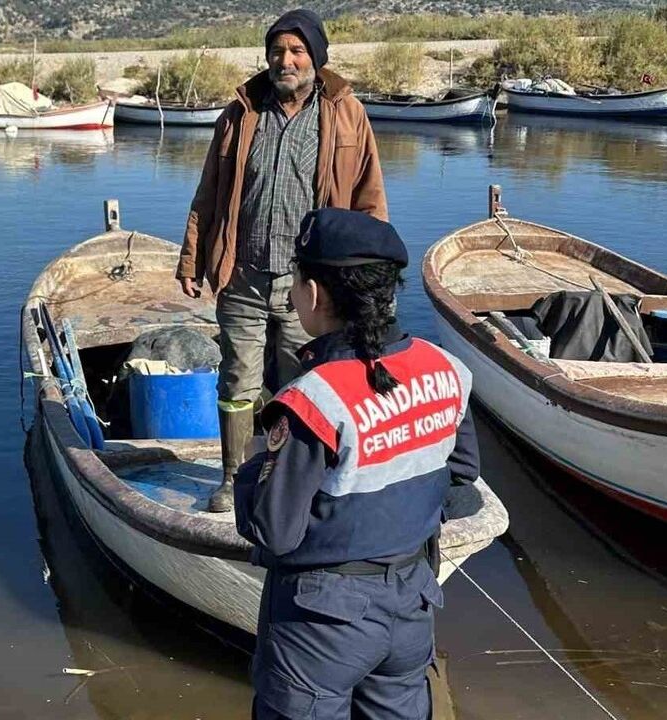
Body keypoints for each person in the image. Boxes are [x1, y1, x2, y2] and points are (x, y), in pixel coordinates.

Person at [234, 208, 480, 719]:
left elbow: (274, 531)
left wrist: (251, 471)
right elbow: (462, 477)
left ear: (315, 293)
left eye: (296, 281)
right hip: (412, 607)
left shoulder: (314, 400)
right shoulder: (446, 369)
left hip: (322, 626)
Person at [176, 9, 387, 512]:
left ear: (316, 58)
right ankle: (233, 478)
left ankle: (292, 480)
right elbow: (209, 192)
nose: (285, 60)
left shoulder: (346, 114)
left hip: (310, 285)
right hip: (242, 273)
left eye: (296, 51)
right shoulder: (241, 113)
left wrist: (370, 277)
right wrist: (191, 259)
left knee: (308, 384)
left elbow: (369, 199)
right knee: (237, 381)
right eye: (277, 51)